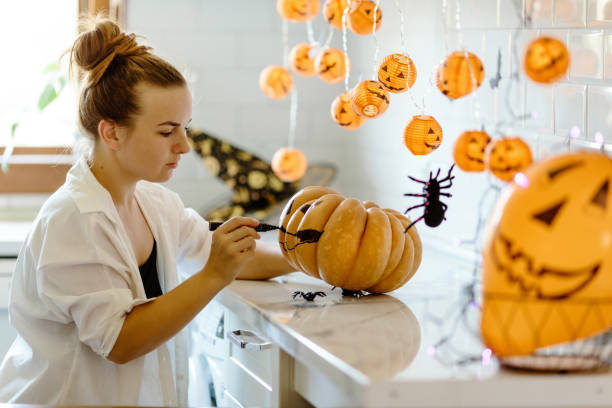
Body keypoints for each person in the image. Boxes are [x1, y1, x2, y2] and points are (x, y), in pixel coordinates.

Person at [0, 17, 295, 406]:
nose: (185, 146)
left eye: (186, 128)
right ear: (112, 133)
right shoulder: (73, 220)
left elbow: (227, 253)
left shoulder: (156, 204)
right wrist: (213, 276)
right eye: (166, 131)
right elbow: (120, 342)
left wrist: (313, 259)